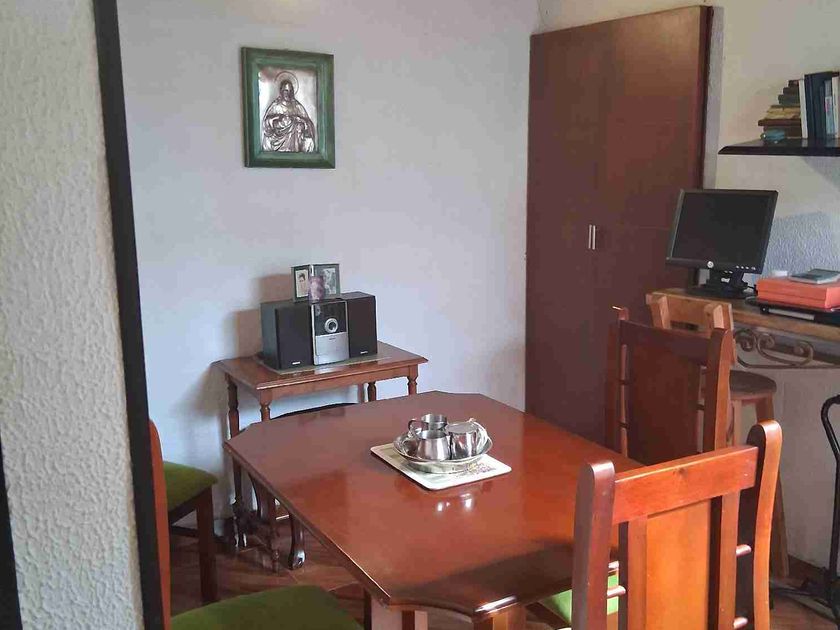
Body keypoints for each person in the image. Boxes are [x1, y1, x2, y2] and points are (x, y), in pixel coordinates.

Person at [262, 77, 316, 153]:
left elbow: (308, 123)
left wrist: (299, 119)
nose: (288, 94)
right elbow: (266, 123)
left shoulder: (297, 106)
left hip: (295, 140)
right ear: (281, 91)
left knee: (296, 126)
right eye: (286, 91)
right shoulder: (276, 106)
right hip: (278, 138)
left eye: (290, 91)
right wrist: (278, 118)